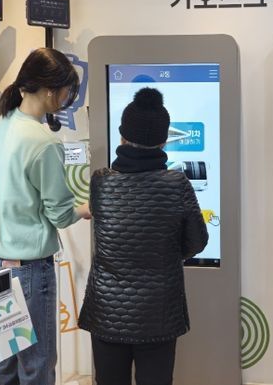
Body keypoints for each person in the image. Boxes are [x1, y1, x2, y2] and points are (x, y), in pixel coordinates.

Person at [79, 87, 208, 385]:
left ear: (122, 137)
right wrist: (168, 253)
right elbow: (198, 241)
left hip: (107, 310)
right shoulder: (177, 184)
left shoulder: (101, 182)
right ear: (163, 141)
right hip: (158, 312)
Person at [0, 47, 91, 385]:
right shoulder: (43, 142)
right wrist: (87, 208)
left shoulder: (3, 124)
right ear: (50, 91)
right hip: (31, 273)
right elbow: (60, 215)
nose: (67, 99)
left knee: (6, 363)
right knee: (37, 364)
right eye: (67, 91)